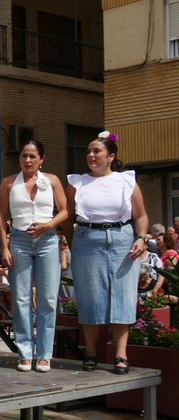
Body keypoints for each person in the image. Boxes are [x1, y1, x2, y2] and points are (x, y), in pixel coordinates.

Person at [66, 131, 148, 375]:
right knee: (90, 296)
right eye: (88, 152)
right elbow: (67, 217)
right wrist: (72, 243)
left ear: (110, 156)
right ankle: (90, 352)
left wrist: (142, 237)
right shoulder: (77, 183)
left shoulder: (126, 181)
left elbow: (141, 215)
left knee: (123, 295)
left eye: (96, 151)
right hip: (87, 239)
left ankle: (121, 355)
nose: (91, 155)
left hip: (122, 239)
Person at [0, 140, 69, 373]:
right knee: (21, 298)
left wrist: (48, 225)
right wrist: (4, 247)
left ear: (41, 159)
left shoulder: (52, 180)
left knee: (48, 298)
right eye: (24, 156)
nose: (27, 160)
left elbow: (65, 211)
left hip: (47, 240)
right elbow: (1, 216)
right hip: (19, 239)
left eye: (32, 156)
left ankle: (44, 354)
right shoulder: (9, 183)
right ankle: (25, 353)